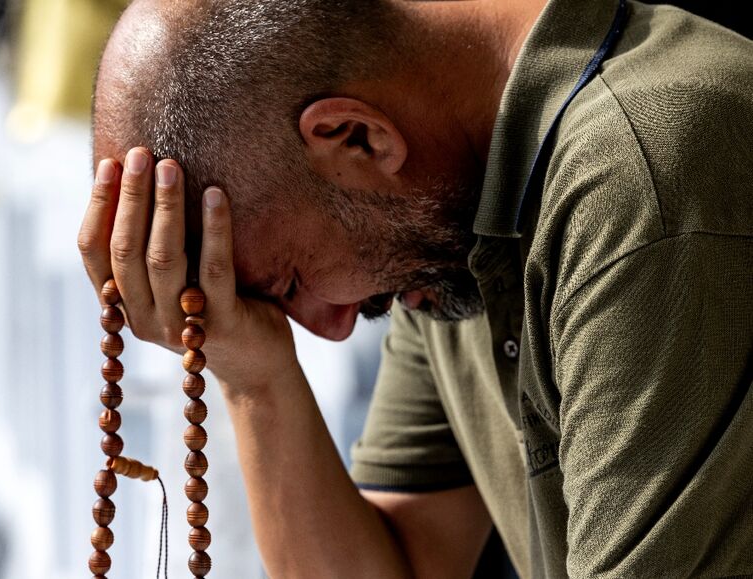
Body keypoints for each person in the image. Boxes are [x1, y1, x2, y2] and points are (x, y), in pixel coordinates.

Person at [78, 0, 753, 576]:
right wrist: (253, 373)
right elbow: (402, 564)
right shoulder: (449, 221)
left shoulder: (638, 182)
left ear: (355, 138)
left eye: (291, 281)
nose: (333, 325)